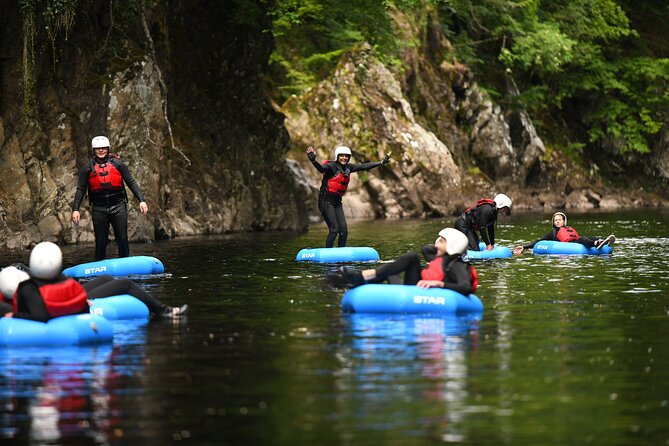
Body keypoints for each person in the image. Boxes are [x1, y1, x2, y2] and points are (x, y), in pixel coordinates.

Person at [0, 242, 187, 321]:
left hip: (69, 300)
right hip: (68, 303)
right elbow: (40, 316)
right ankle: (164, 311)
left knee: (106, 278)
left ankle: (164, 311)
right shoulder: (30, 288)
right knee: (125, 284)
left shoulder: (30, 286)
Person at [328, 228, 478, 294]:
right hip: (415, 288)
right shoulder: (439, 258)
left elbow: (465, 287)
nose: (436, 244)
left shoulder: (457, 264)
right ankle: (356, 282)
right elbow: (426, 248)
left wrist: (439, 284)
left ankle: (361, 277)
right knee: (390, 271)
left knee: (412, 257)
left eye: (441, 241)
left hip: (422, 293)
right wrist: (441, 246)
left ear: (452, 245)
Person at [72, 135, 149, 261]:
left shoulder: (118, 164)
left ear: (108, 149)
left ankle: (125, 264)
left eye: (103, 148)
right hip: (99, 209)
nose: (101, 151)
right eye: (98, 149)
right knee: (101, 242)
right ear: (94, 150)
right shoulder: (87, 168)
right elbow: (81, 189)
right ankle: (99, 267)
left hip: (118, 207)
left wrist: (142, 200)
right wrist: (75, 209)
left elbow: (131, 182)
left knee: (122, 239)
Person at [307, 145, 391, 248]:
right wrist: (313, 161)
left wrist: (381, 162)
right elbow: (321, 169)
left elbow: (364, 166)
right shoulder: (331, 166)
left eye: (346, 156)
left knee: (344, 232)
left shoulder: (348, 168)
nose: (344, 158)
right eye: (341, 156)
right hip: (326, 201)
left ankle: (341, 254)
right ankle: (327, 254)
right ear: (337, 156)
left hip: (337, 202)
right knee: (334, 230)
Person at [512, 212, 616, 255]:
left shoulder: (568, 228)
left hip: (576, 241)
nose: (557, 221)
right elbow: (539, 241)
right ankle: (596, 244)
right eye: (555, 220)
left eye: (559, 220)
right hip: (571, 245)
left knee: (588, 237)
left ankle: (604, 240)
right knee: (583, 239)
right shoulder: (553, 233)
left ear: (563, 221)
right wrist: (524, 247)